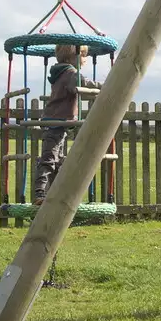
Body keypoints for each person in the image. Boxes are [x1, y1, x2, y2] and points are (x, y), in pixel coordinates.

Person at [33, 44, 101, 204]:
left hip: (56, 120)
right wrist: (103, 86)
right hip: (59, 120)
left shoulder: (59, 71)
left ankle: (52, 192)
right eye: (83, 55)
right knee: (50, 158)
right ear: (74, 56)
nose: (85, 59)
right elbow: (80, 85)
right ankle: (40, 193)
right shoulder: (71, 72)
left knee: (56, 159)